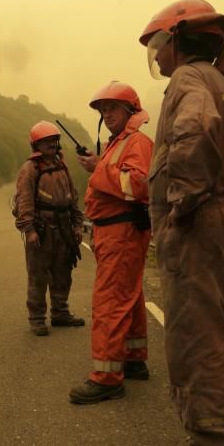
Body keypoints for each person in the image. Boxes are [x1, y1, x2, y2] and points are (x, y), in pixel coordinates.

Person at [139, 0, 224, 446]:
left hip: (198, 222)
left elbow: (192, 133)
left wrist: (182, 205)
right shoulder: (221, 84)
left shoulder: (187, 81)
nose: (157, 56)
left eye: (159, 45)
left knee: (196, 338)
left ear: (179, 40)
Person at [69, 82, 153, 404]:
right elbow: (118, 175)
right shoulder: (119, 143)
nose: (106, 114)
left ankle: (107, 378)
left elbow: (137, 184)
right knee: (128, 297)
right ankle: (133, 360)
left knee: (109, 301)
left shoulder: (137, 141)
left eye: (112, 108)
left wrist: (97, 168)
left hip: (121, 232)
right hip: (115, 232)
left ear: (130, 110)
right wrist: (100, 163)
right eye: (103, 109)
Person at [14, 121, 85, 336]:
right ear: (36, 144)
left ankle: (60, 312)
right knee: (38, 276)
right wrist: (30, 230)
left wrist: (78, 224)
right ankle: (37, 319)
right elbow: (24, 201)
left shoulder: (61, 164)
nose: (52, 144)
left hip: (63, 228)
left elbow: (72, 196)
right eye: (46, 141)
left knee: (63, 272)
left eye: (54, 140)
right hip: (42, 229)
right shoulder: (30, 169)